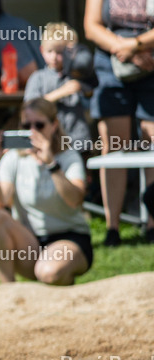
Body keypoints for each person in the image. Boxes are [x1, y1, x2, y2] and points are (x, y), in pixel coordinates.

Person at [0, 98, 92, 286]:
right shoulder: (13, 158)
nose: (32, 131)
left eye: (39, 125)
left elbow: (75, 200)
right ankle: (8, 292)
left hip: (69, 237)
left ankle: (63, 280)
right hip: (30, 241)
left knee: (49, 273)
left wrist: (51, 164)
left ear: (54, 125)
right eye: (26, 125)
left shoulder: (68, 158)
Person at [84, 0, 154, 245]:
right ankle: (112, 227)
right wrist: (123, 49)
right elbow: (91, 26)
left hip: (151, 61)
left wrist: (136, 45)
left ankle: (152, 223)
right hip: (112, 66)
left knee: (152, 145)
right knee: (114, 146)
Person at [24, 22, 94, 153]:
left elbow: (91, 102)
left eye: (60, 52)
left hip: (78, 141)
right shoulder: (38, 78)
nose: (54, 57)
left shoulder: (78, 74)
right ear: (42, 50)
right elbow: (30, 106)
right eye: (50, 51)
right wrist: (62, 92)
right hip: (48, 143)